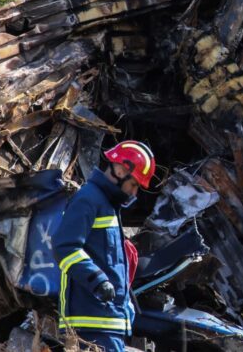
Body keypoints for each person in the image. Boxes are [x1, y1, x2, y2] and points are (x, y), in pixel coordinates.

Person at [54, 140, 156, 352]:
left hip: (107, 322)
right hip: (90, 321)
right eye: (135, 184)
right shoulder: (88, 200)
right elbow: (65, 247)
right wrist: (98, 281)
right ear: (120, 171)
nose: (134, 193)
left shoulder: (108, 206)